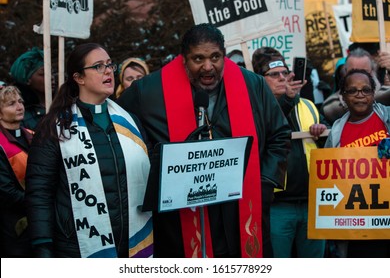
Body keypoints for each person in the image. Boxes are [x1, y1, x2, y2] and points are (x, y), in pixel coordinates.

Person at [117, 23, 291, 258]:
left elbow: (279, 135)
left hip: (240, 207)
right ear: (183, 59)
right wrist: (156, 162)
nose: (208, 67)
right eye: (198, 58)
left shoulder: (254, 85)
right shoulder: (148, 92)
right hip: (182, 219)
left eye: (215, 57)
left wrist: (264, 182)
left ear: (224, 54)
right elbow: (121, 127)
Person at [25, 43, 153, 258]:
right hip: (78, 247)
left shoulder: (131, 122)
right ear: (79, 78)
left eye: (109, 65)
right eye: (98, 66)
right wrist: (42, 245)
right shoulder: (55, 127)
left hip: (133, 242)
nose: (108, 71)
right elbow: (40, 191)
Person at [252, 47, 328, 258]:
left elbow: (328, 148)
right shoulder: (256, 108)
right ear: (260, 79)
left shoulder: (309, 106)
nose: (282, 78)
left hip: (313, 201)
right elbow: (270, 130)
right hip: (278, 207)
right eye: (274, 75)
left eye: (285, 73)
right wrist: (287, 100)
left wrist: (323, 133)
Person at [325, 69, 390, 257]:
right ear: (343, 96)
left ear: (373, 93)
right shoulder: (336, 132)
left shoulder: (386, 118)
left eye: (366, 90)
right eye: (352, 91)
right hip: (356, 224)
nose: (360, 95)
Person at [0, 85, 33, 257]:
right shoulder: (0, 145)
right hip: (14, 226)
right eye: (11, 104)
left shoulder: (32, 135)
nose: (19, 106)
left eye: (20, 101)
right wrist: (39, 200)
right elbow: (6, 192)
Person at [322, 47, 390, 125]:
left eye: (364, 72)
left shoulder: (387, 94)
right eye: (353, 72)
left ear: (372, 71)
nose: (358, 77)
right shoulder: (331, 105)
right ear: (345, 71)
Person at [9, 48, 49, 130]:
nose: (51, 77)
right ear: (27, 80)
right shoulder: (21, 113)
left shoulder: (63, 103)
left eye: (52, 72)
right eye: (43, 74)